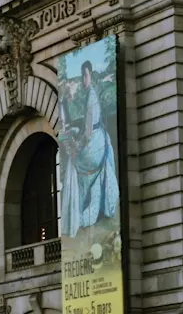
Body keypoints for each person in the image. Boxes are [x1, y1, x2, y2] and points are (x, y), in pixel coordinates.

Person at [60, 59, 119, 236]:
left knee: (72, 161)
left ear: (91, 75)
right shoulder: (91, 94)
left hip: (94, 144)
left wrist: (76, 146)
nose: (83, 80)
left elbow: (87, 133)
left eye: (85, 76)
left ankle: (76, 212)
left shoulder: (91, 97)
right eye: (82, 76)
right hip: (101, 138)